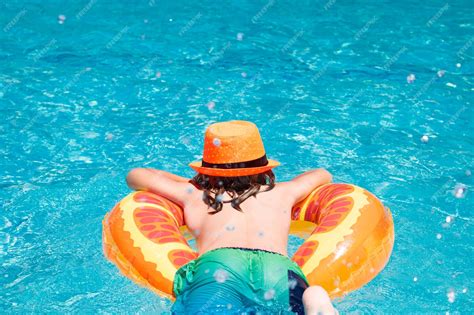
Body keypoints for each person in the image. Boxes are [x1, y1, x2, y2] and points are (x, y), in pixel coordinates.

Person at [126, 120, 338, 314]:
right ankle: (314, 298)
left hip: (219, 270)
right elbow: (322, 174)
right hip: (279, 272)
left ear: (206, 170)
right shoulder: (283, 191)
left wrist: (192, 182)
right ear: (263, 168)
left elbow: (136, 175)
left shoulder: (195, 194)